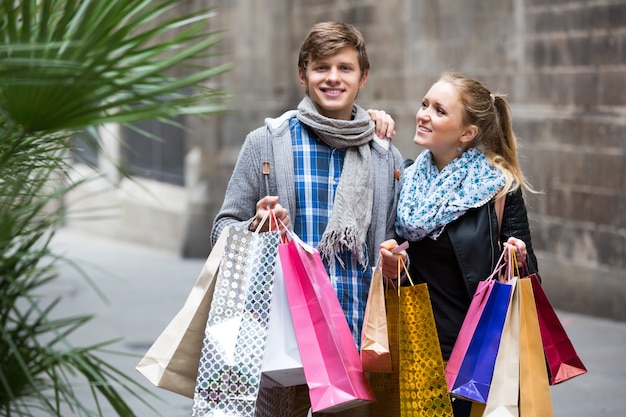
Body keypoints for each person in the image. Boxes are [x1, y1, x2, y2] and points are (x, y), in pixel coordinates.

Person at [211, 21, 404, 417]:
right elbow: (221, 230)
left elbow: (398, 245)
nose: (333, 78)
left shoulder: (386, 158)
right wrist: (255, 228)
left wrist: (396, 260)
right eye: (321, 68)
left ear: (363, 77)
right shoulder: (266, 143)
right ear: (303, 74)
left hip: (355, 352)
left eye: (345, 68)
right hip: (285, 350)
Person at [378, 71, 540, 417]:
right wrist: (393, 264)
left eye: (439, 110)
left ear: (467, 133)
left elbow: (528, 277)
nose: (423, 114)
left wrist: (519, 258)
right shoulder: (404, 179)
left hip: (474, 356)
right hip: (415, 348)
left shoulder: (498, 187)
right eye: (425, 104)